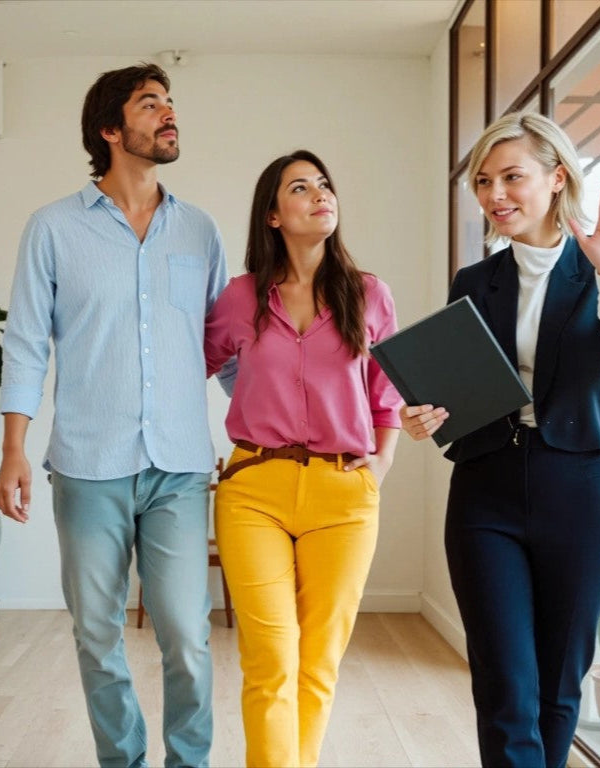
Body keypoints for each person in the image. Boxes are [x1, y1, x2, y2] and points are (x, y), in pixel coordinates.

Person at [401, 111, 600, 768]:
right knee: (505, 688)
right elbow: (460, 384)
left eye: (511, 176)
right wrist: (423, 415)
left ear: (557, 178)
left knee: (557, 688)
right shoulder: (476, 282)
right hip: (485, 493)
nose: (495, 194)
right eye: (485, 181)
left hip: (573, 490)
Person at [0, 63, 235, 768]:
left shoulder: (200, 230)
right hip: (87, 465)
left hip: (180, 468)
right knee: (97, 635)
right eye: (149, 104)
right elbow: (30, 345)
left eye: (170, 103)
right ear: (110, 129)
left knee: (188, 637)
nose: (168, 114)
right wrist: (14, 450)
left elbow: (224, 348)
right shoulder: (53, 229)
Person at [204, 149, 402, 767]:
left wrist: (381, 465)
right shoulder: (239, 298)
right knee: (270, 658)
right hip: (253, 491)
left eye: (324, 185)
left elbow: (388, 392)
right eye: (300, 187)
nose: (320, 195)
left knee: (318, 662)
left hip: (344, 495)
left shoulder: (368, 294)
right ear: (272, 215)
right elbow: (187, 371)